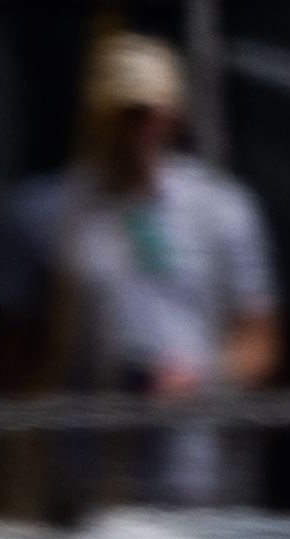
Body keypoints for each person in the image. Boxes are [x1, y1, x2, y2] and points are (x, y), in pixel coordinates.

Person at [17, 33, 275, 510]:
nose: (128, 128)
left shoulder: (221, 208)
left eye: (141, 113)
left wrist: (201, 381)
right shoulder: (44, 211)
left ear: (173, 115)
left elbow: (260, 339)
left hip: (201, 481)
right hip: (87, 482)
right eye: (115, 113)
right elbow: (16, 347)